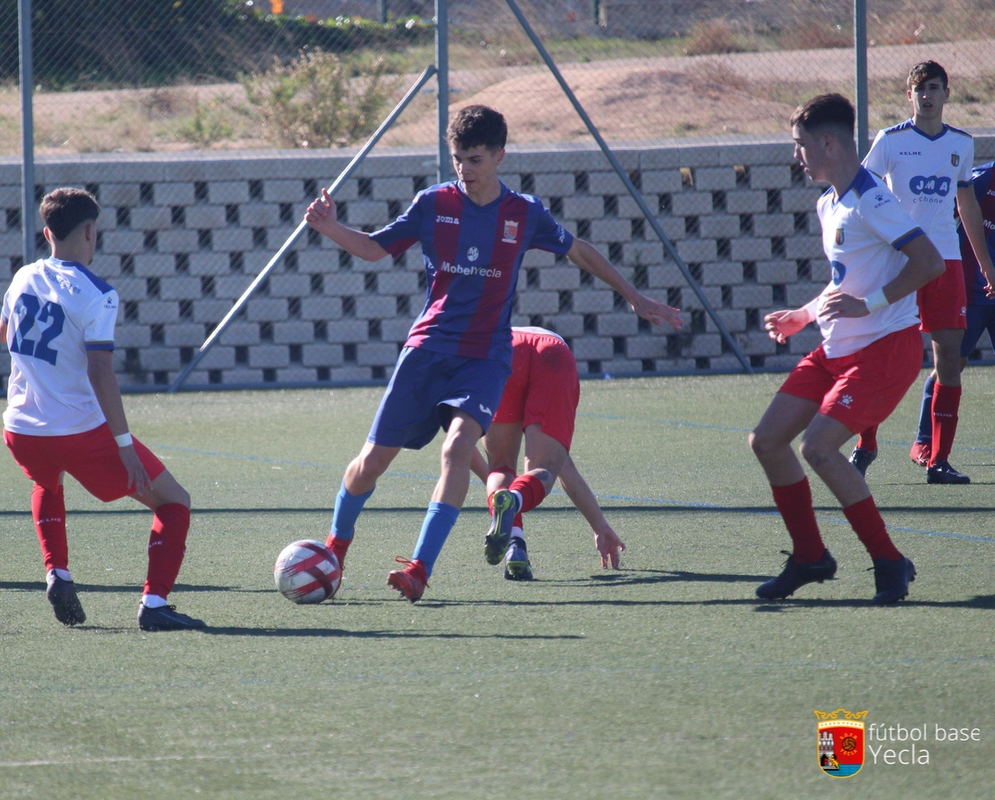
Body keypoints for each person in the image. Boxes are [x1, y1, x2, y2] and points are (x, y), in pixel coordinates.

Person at [305, 105, 681, 602]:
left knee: (457, 448)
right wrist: (331, 227)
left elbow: (579, 250)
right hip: (427, 351)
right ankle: (336, 547)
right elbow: (376, 248)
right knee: (371, 463)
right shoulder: (433, 203)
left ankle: (419, 569)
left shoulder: (524, 213)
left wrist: (635, 297)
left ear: (500, 156)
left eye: (475, 159)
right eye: (458, 158)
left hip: (485, 357)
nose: (465, 169)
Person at [751, 93, 944, 605]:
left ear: (828, 143)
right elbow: (845, 280)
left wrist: (870, 305)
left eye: (800, 145)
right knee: (766, 441)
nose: (796, 155)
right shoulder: (829, 202)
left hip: (884, 350)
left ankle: (889, 561)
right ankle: (810, 556)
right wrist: (804, 314)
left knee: (818, 448)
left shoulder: (873, 199)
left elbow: (928, 262)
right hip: (836, 350)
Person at [0, 187, 203, 631]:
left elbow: (2, 334)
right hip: (80, 432)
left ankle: (58, 572)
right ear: (91, 231)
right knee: (174, 502)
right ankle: (155, 604)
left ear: (47, 233)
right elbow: (101, 371)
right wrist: (124, 445)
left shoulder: (23, 276)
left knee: (46, 481)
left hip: (21, 428)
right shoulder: (98, 294)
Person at [849, 61, 995, 484]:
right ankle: (866, 443)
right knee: (882, 354)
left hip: (946, 262)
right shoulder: (890, 141)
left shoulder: (961, 143)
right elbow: (864, 192)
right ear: (909, 95)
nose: (926, 96)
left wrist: (986, 265)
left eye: (933, 88)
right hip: (900, 260)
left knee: (949, 358)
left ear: (947, 93)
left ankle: (938, 460)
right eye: (919, 89)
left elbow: (966, 205)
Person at [474, 326, 625, 580]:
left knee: (500, 468)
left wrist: (494, 495)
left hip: (501, 349)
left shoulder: (453, 365)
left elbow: (460, 450)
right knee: (541, 469)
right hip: (550, 351)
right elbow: (563, 468)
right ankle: (515, 518)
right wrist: (599, 526)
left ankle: (515, 545)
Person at [908, 161, 995, 463]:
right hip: (972, 291)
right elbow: (949, 220)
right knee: (951, 364)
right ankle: (924, 442)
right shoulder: (981, 179)